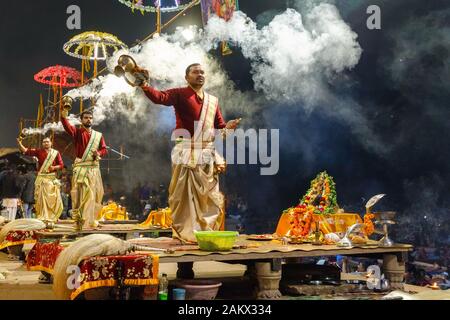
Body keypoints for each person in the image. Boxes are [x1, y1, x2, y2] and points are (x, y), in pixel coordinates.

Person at [140, 63, 240, 243]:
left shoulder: (212, 101)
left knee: (209, 197)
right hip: (186, 151)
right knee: (183, 197)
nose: (200, 75)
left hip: (206, 155)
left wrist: (229, 127)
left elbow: (220, 128)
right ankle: (186, 234)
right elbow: (159, 98)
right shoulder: (179, 93)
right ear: (187, 77)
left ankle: (205, 233)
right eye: (195, 72)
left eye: (202, 72)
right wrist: (144, 85)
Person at [61, 108, 108, 229]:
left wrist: (98, 153)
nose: (89, 120)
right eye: (86, 118)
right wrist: (63, 116)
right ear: (81, 120)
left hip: (94, 169)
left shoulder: (98, 135)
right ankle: (82, 221)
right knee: (83, 195)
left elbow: (104, 149)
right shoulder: (77, 132)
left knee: (98, 194)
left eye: (90, 118)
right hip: (82, 168)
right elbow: (66, 126)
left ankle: (92, 220)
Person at [17, 136, 64, 221]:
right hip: (42, 179)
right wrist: (19, 143)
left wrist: (53, 167)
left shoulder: (56, 153)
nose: (45, 143)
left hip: (51, 180)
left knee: (52, 199)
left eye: (47, 141)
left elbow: (61, 165)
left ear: (51, 143)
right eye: (44, 142)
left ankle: (52, 216)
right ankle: (43, 215)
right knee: (41, 199)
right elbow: (26, 151)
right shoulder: (39, 151)